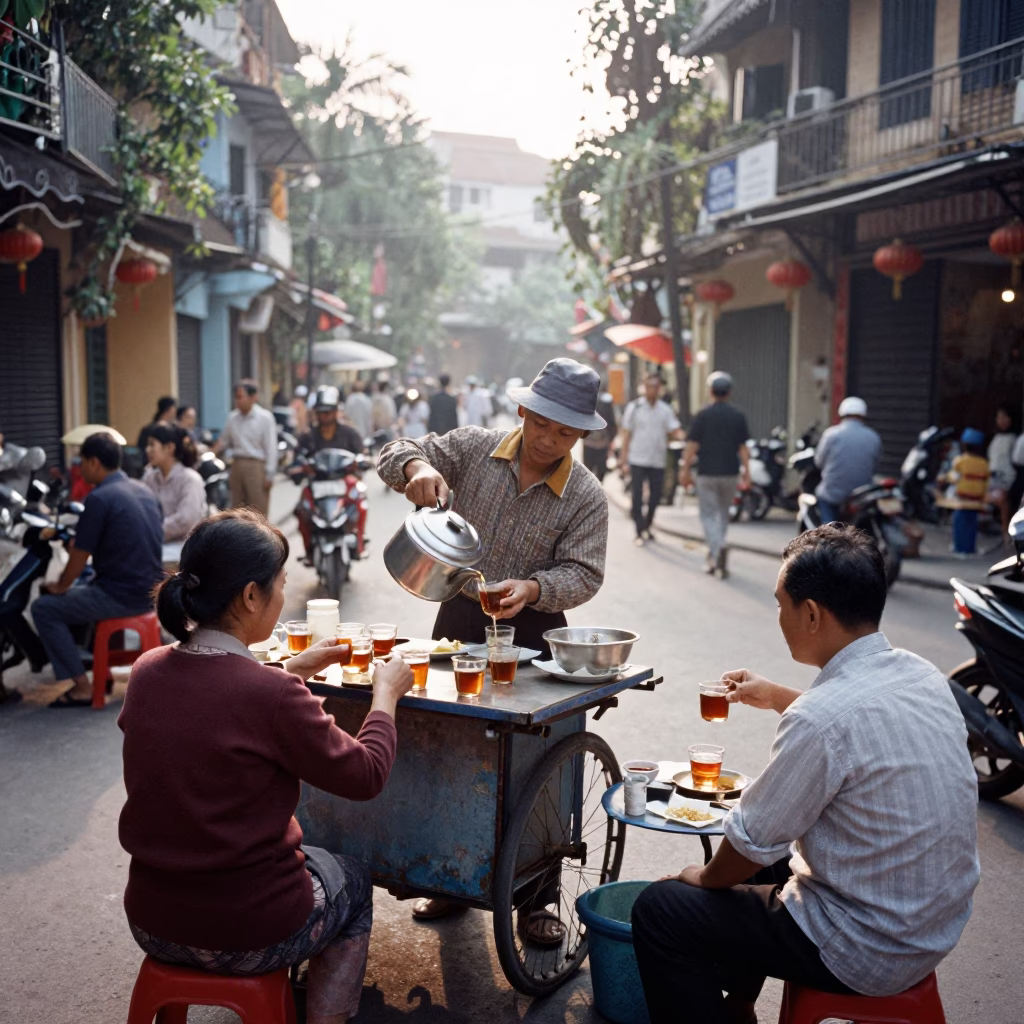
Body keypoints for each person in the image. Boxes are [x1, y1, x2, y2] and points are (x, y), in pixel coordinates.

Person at [631, 524, 979, 1024]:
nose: (778, 617)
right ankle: (739, 1007)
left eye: (781, 604)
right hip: (933, 926)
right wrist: (775, 696)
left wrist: (700, 878)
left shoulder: (820, 719)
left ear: (811, 613)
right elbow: (857, 733)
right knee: (769, 862)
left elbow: (749, 842)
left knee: (663, 909)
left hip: (866, 948)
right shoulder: (918, 673)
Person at [118, 509, 412, 1024]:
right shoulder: (271, 697)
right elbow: (366, 775)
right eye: (279, 585)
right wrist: (385, 697)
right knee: (355, 880)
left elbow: (216, 699)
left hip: (152, 918)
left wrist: (291, 669)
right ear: (251, 596)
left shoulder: (146, 672)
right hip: (250, 931)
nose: (282, 596)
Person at [378, 358, 609, 930]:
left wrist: (533, 588)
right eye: (544, 423)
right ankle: (451, 879)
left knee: (534, 766)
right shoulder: (472, 448)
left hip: (532, 634)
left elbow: (586, 573)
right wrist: (414, 467)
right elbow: (394, 450)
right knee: (449, 748)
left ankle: (538, 902)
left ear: (581, 433)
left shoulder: (585, 495)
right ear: (524, 411)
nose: (551, 439)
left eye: (566, 431)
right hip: (457, 622)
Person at [32, 432, 163, 708]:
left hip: (120, 595)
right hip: (151, 591)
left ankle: (81, 687)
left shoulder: (99, 498)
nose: (79, 469)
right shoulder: (143, 491)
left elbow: (79, 558)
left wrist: (59, 587)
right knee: (83, 586)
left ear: (93, 462)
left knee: (44, 607)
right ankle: (95, 664)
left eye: (81, 463)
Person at [679, 372, 750, 578]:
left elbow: (692, 446)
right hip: (730, 472)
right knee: (723, 513)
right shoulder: (738, 416)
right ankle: (715, 555)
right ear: (729, 393)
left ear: (710, 392)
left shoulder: (702, 415)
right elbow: (743, 448)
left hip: (706, 473)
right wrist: (747, 473)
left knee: (709, 515)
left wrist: (684, 470)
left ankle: (717, 550)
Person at [294, 387, 366, 563]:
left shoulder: (350, 434)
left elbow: (362, 454)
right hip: (316, 483)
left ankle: (358, 542)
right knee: (301, 510)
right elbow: (296, 459)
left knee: (361, 503)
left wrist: (360, 463)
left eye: (328, 412)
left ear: (336, 411)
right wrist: (299, 468)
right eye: (321, 412)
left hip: (344, 481)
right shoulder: (307, 436)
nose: (324, 416)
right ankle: (309, 550)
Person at [620, 374, 682, 545]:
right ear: (644, 387)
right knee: (637, 496)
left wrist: (687, 439)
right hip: (637, 458)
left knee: (655, 496)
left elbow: (674, 430)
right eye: (649, 386)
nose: (652, 390)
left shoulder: (665, 409)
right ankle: (639, 530)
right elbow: (627, 434)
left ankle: (647, 524)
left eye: (655, 386)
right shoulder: (635, 407)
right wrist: (623, 459)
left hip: (657, 459)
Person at [812, 396, 882, 525]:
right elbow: (875, 465)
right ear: (863, 415)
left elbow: (819, 462)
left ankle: (828, 534)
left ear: (842, 414)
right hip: (862, 496)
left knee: (827, 525)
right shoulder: (873, 436)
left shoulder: (831, 434)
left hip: (833, 494)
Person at [216, 379, 278, 516]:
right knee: (237, 511)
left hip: (256, 466)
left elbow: (271, 448)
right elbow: (224, 441)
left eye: (240, 397)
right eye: (236, 397)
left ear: (253, 397)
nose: (237, 401)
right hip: (237, 465)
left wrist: (269, 475)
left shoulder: (265, 418)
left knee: (258, 511)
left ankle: (260, 537)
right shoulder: (232, 418)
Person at [142, 424, 206, 541]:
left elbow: (186, 520)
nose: (148, 450)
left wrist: (153, 529)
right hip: (154, 542)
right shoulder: (149, 477)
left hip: (181, 546)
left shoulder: (190, 479)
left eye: (152, 445)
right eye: (147, 445)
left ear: (170, 448)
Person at [950, 427, 990, 556]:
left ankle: (959, 548)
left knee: (960, 523)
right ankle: (970, 548)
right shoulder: (984, 463)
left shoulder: (960, 461)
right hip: (977, 498)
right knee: (972, 524)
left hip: (962, 498)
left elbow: (953, 477)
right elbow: (986, 481)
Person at [987, 406, 1018, 536]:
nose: (1002, 420)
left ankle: (1006, 532)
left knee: (1002, 501)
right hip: (992, 478)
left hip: (1007, 479)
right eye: (999, 417)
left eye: (1005, 417)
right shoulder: (995, 438)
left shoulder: (1015, 439)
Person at [581, 388, 618, 482]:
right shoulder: (606, 403)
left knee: (587, 473)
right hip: (599, 444)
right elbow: (613, 425)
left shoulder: (587, 402)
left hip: (591, 444)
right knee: (599, 474)